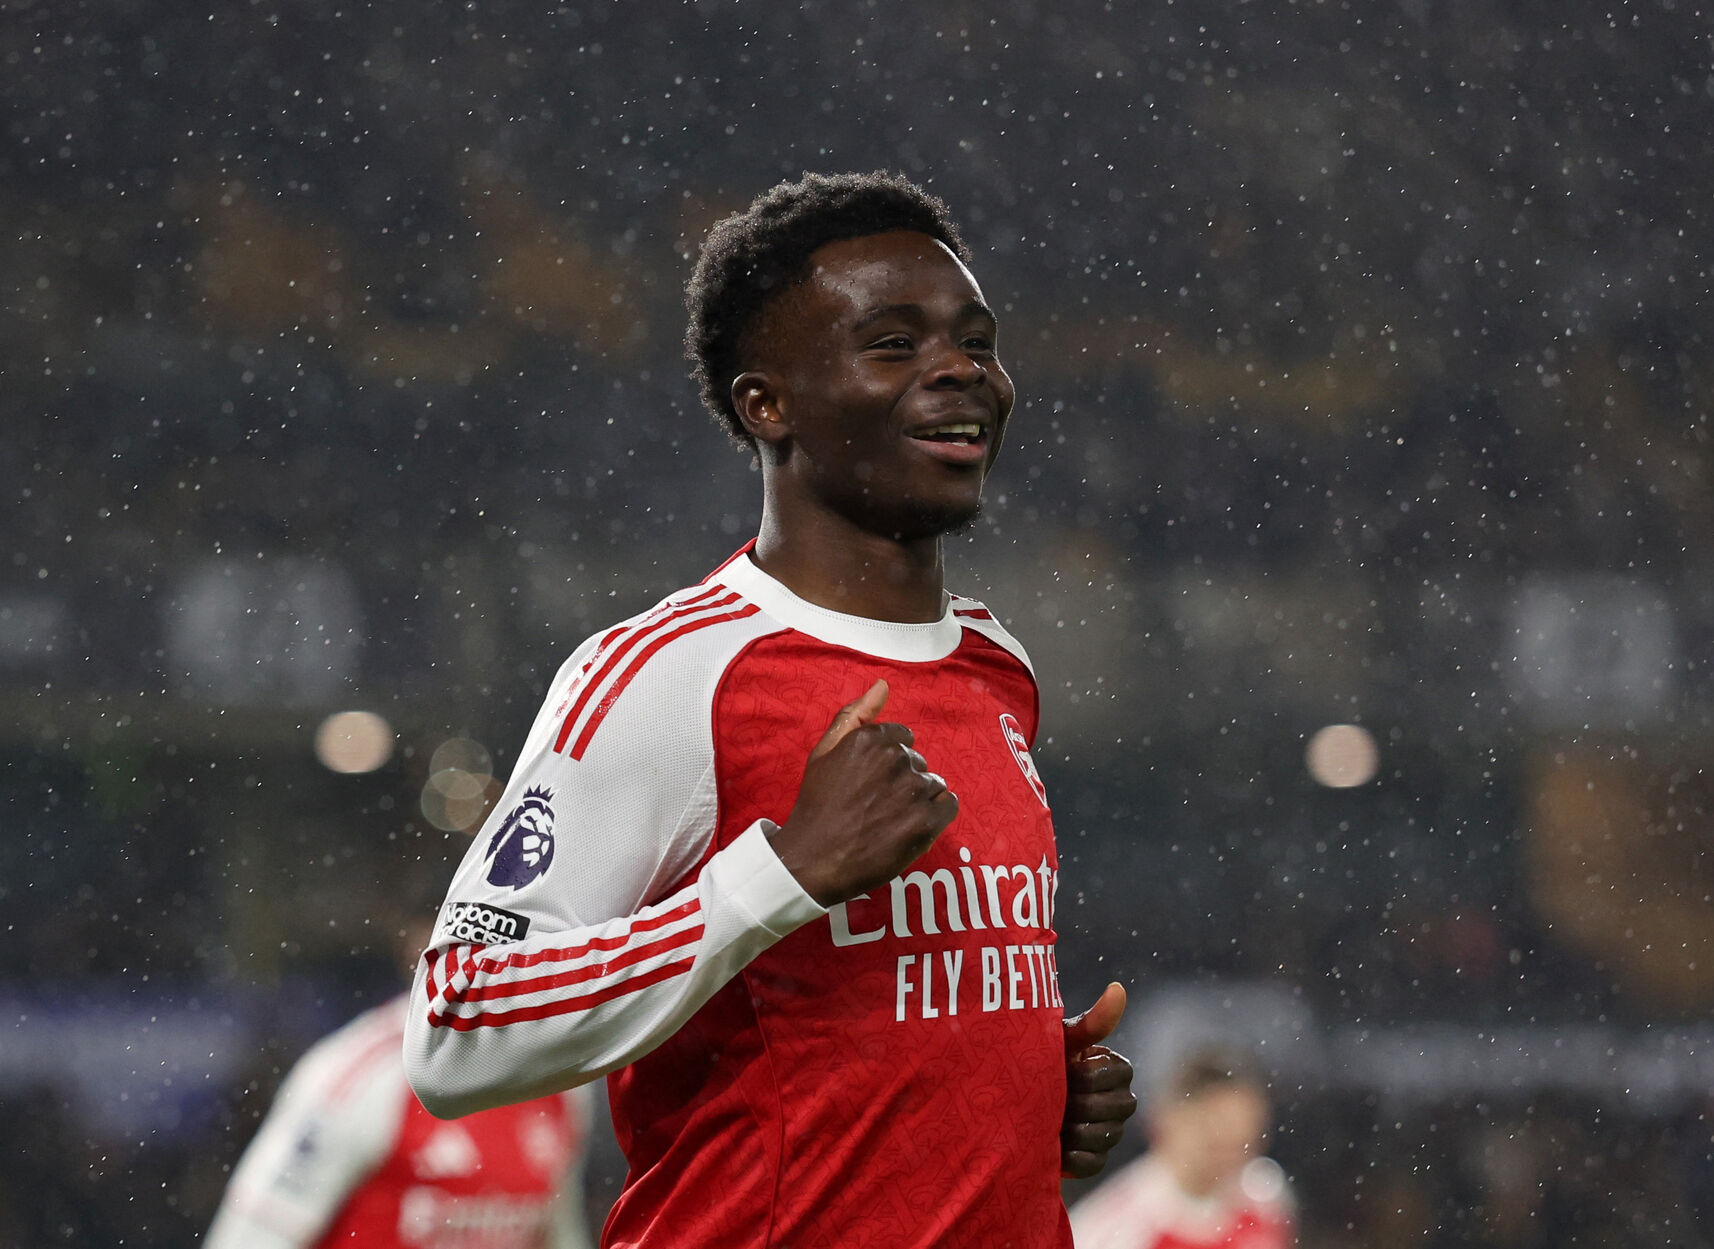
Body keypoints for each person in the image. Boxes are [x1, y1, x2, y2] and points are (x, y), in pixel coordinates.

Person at [403, 171, 1135, 1247]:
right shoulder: (671, 672)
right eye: (894, 343)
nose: (960, 370)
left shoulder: (997, 664)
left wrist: (1010, 1091)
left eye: (976, 342)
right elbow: (458, 1027)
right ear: (768, 405)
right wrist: (780, 872)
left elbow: (856, 1018)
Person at [206, 920, 595, 1249]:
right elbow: (252, 1236)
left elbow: (559, 1233)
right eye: (473, 939)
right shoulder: (357, 1074)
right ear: (421, 946)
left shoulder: (561, 1082)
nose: (486, 960)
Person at [1068, 1047, 1296, 1249]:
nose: (1233, 1150)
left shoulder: (1267, 1197)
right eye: (1218, 1129)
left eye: (1246, 1138)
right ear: (1169, 1121)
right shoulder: (1114, 1233)